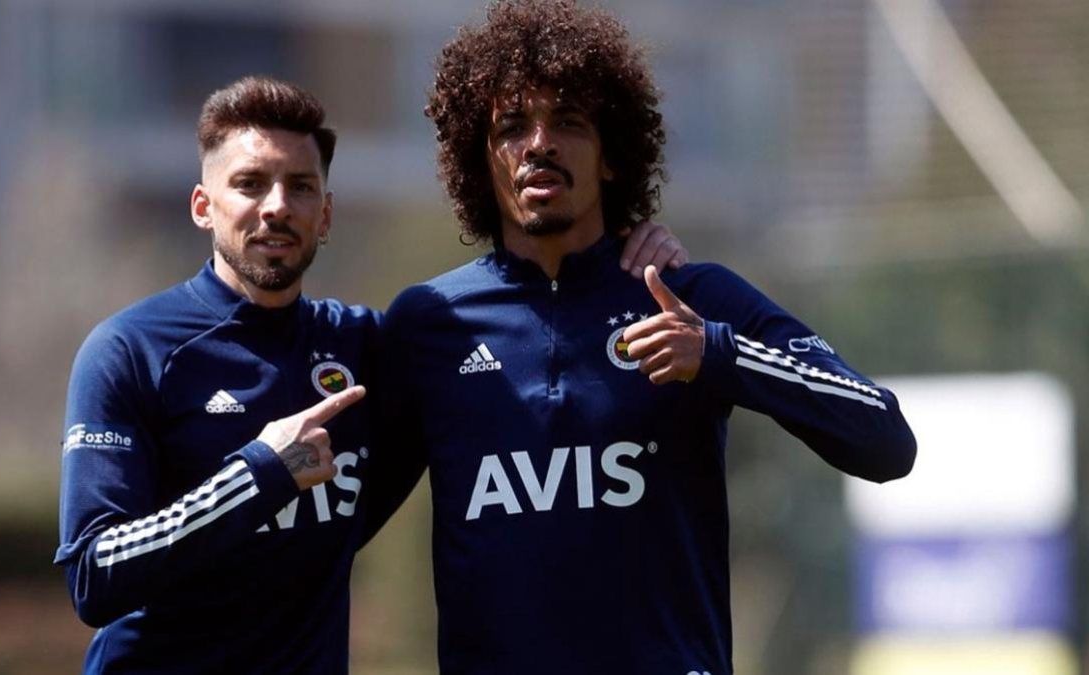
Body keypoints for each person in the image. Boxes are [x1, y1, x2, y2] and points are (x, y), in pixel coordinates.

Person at [55, 75, 687, 674]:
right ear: (203, 206)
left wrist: (619, 248)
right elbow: (92, 575)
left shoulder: (366, 347)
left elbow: (525, 338)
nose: (277, 207)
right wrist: (259, 474)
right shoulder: (130, 350)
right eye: (250, 184)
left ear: (326, 214)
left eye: (301, 187)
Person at [378, 2, 917, 674]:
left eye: (569, 121)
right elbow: (333, 527)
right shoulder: (430, 323)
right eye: (512, 126)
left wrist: (719, 352)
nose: (539, 143)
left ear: (611, 157)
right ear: (480, 158)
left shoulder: (692, 298)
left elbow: (885, 437)